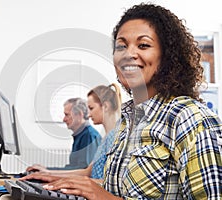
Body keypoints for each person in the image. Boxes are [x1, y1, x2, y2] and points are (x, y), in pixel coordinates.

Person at [21, 3, 222, 199]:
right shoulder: (128, 123)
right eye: (121, 46)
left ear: (167, 56)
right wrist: (59, 182)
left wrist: (101, 195)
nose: (128, 54)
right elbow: (119, 192)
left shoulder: (190, 119)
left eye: (143, 45)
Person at [26, 83, 122, 181]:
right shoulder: (106, 138)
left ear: (105, 106)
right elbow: (87, 172)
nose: (88, 114)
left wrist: (53, 177)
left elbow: (107, 183)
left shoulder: (112, 138)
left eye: (91, 108)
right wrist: (47, 173)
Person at [32, 97, 102, 170]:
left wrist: (47, 171)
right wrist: (46, 169)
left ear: (79, 115)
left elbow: (83, 171)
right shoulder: (81, 134)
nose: (64, 119)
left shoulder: (89, 136)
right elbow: (73, 169)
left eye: (67, 115)